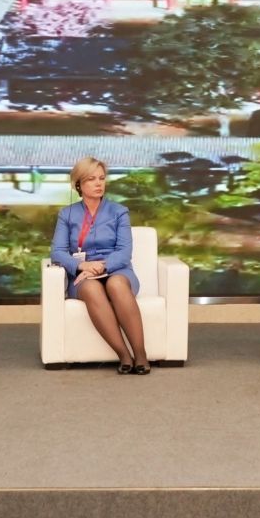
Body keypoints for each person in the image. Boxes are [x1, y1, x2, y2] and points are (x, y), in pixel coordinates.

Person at [49, 157, 149, 374]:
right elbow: (57, 252)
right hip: (83, 275)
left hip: (117, 270)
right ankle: (124, 355)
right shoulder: (67, 214)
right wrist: (82, 265)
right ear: (79, 184)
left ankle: (141, 354)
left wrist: (102, 266)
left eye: (101, 178)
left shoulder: (119, 212)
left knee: (116, 285)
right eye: (91, 179)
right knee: (92, 288)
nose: (98, 184)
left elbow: (124, 252)